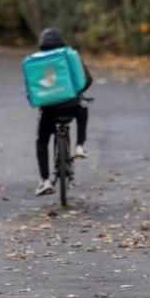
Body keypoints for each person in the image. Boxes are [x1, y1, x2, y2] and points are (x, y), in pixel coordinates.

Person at [34, 28, 93, 196]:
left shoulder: (37, 61)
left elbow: (33, 88)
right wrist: (76, 91)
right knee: (84, 107)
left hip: (49, 110)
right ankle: (80, 146)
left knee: (42, 141)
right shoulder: (71, 56)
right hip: (72, 106)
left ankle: (45, 181)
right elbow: (87, 79)